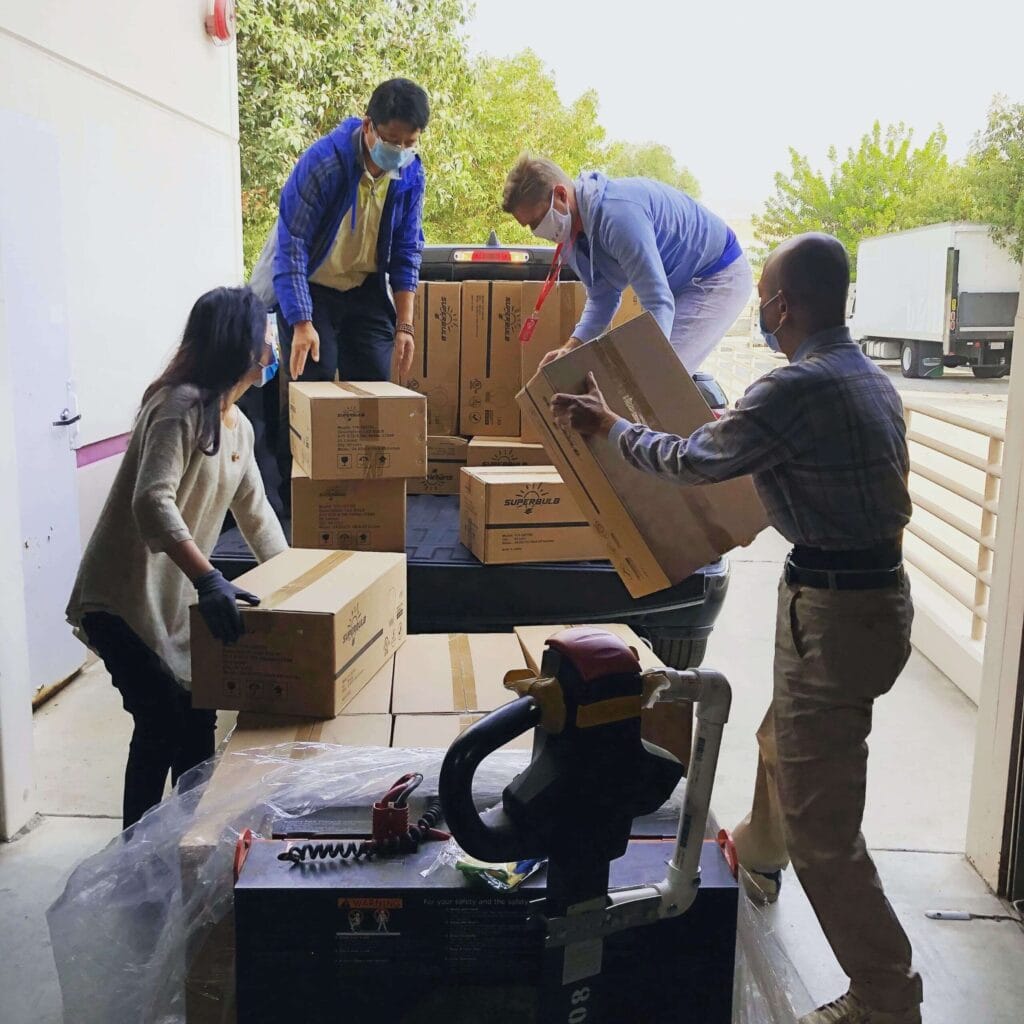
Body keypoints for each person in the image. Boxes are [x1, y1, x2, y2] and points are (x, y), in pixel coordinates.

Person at [549, 234, 922, 1024]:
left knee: (826, 829)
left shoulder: (795, 388)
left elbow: (691, 462)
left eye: (762, 296)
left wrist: (607, 426)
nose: (759, 307)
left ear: (783, 305)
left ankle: (886, 996)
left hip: (836, 614)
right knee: (782, 739)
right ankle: (758, 851)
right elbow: (781, 444)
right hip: (870, 602)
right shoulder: (862, 376)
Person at [66, 287, 287, 830]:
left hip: (173, 603)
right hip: (121, 600)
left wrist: (302, 588)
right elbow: (151, 500)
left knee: (196, 722)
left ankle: (190, 844)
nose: (272, 346)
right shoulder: (180, 405)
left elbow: (257, 517)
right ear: (240, 344)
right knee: (160, 722)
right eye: (266, 335)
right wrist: (210, 579)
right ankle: (136, 856)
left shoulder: (238, 426)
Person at [253, 78, 429, 509]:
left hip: (364, 287)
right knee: (313, 386)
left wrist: (405, 325)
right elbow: (292, 246)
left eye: (409, 142)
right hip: (312, 288)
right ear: (368, 126)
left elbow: (407, 249)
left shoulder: (409, 173)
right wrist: (301, 322)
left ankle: (368, 501)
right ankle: (300, 502)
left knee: (375, 383)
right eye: (392, 140)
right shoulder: (324, 164)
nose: (400, 150)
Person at [502, 155, 752, 372]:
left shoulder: (618, 217)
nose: (536, 231)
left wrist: (643, 375)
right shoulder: (574, 240)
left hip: (716, 274)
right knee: (646, 380)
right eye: (529, 226)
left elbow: (658, 302)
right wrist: (570, 348)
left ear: (560, 195)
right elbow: (603, 298)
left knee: (662, 378)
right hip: (679, 283)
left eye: (536, 221)